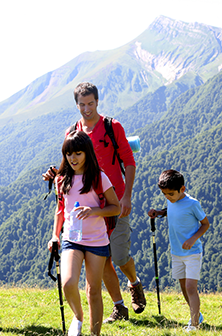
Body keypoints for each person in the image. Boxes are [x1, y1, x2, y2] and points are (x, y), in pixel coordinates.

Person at [43, 82, 146, 322]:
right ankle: (119, 307)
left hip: (113, 201)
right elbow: (68, 165)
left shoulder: (112, 126)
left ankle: (134, 282)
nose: (87, 109)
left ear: (97, 102)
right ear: (76, 104)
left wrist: (127, 196)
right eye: (82, 104)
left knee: (119, 257)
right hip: (85, 209)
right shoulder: (73, 132)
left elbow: (129, 162)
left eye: (91, 103)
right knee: (104, 259)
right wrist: (53, 174)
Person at [48, 130, 120, 336]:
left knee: (93, 291)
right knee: (68, 283)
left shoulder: (99, 177)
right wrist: (55, 235)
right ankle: (78, 317)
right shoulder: (61, 180)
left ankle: (94, 333)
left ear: (87, 153)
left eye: (78, 153)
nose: (73, 158)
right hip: (71, 238)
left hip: (97, 241)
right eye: (69, 154)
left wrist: (94, 211)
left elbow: (115, 207)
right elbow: (60, 210)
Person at [148, 169, 209, 332]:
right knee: (183, 286)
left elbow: (205, 224)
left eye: (170, 194)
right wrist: (159, 212)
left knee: (190, 287)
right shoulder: (171, 200)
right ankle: (196, 314)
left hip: (192, 252)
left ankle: (195, 324)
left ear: (182, 189)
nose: (167, 197)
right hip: (176, 252)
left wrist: (192, 239)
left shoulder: (193, 204)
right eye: (164, 194)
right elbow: (171, 210)